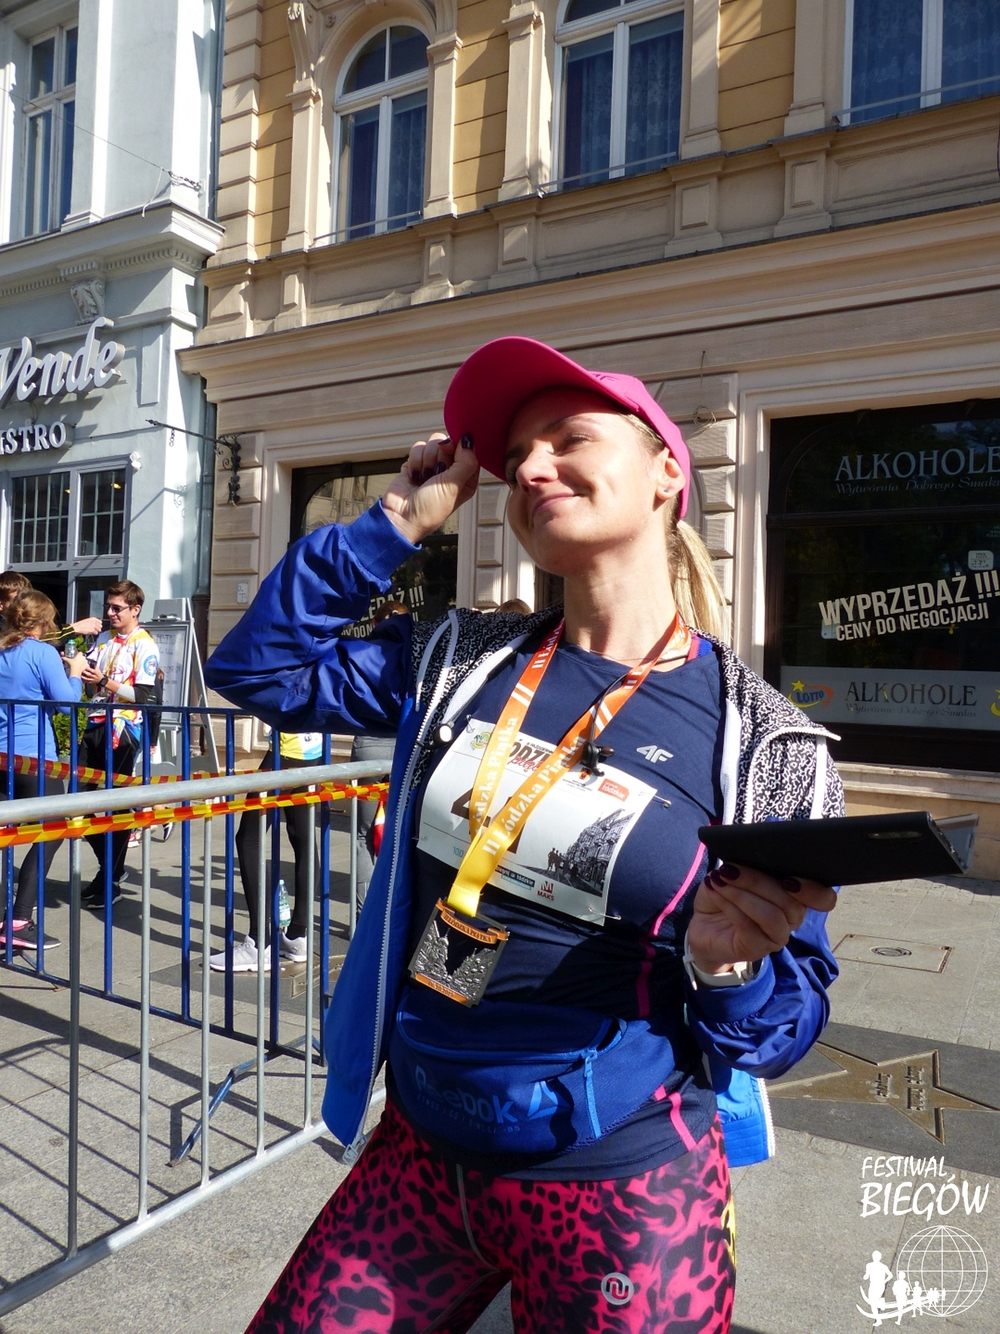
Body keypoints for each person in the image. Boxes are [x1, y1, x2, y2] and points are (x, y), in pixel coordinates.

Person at [205, 337, 842, 1334]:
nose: (532, 467)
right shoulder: (459, 659)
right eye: (515, 456)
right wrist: (392, 521)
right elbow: (260, 669)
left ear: (666, 473)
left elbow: (779, 1029)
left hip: (621, 1189)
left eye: (569, 439)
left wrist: (728, 970)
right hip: (418, 1152)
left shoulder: (762, 739)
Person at [0, 591, 86, 951]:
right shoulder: (43, 653)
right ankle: (19, 919)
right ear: (42, 622)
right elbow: (67, 705)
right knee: (52, 829)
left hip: (2, 755)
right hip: (34, 757)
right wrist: (76, 673)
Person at [210, 730, 324, 973]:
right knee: (303, 836)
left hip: (287, 750)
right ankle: (297, 936)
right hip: (311, 749)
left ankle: (259, 943)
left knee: (248, 839)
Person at [78, 580, 160, 907]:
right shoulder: (104, 640)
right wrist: (85, 674)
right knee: (75, 801)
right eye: (108, 607)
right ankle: (110, 868)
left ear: (135, 609)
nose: (110, 613)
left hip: (124, 730)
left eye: (117, 608)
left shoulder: (145, 644)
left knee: (118, 804)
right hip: (96, 723)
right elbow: (90, 687)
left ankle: (109, 877)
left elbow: (142, 695)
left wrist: (104, 681)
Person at [349, 599, 408, 905]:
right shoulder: (413, 654)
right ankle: (393, 907)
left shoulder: (361, 652)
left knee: (362, 834)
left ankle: (363, 913)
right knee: (400, 831)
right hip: (402, 747)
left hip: (368, 746)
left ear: (375, 624)